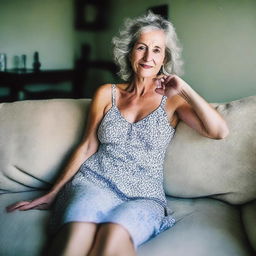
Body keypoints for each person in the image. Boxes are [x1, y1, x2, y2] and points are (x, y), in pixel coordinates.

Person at [6, 12, 229, 256]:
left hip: (144, 195)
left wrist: (184, 88)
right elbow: (87, 146)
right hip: (94, 183)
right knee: (76, 235)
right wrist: (53, 192)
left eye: (157, 50)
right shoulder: (106, 93)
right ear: (129, 51)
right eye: (141, 47)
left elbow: (218, 131)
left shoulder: (173, 100)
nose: (148, 57)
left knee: (113, 235)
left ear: (165, 57)